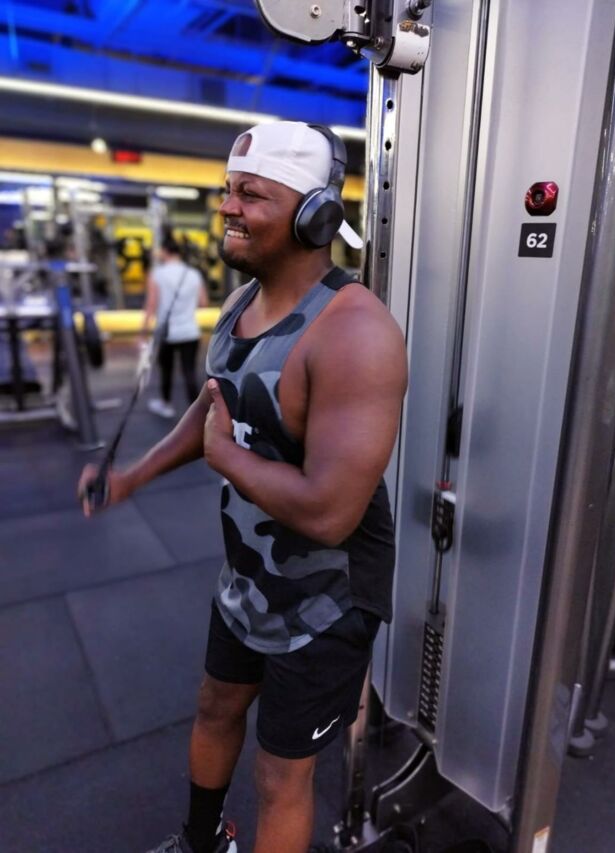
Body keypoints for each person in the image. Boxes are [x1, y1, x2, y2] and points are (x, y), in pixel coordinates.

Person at [78, 120, 408, 853]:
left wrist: (224, 458)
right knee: (215, 707)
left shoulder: (355, 333)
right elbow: (212, 409)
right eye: (228, 189)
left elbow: (329, 513)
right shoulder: (239, 306)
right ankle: (203, 841)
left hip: (328, 600)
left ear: (314, 215)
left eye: (251, 194)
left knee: (279, 775)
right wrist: (133, 476)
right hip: (249, 577)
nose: (227, 206)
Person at [143, 232, 209, 418]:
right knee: (189, 371)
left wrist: (143, 331)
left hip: (167, 332)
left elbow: (151, 305)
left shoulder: (157, 274)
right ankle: (199, 414)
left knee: (166, 370)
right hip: (190, 330)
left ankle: (166, 405)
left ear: (165, 251)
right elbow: (203, 302)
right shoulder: (193, 274)